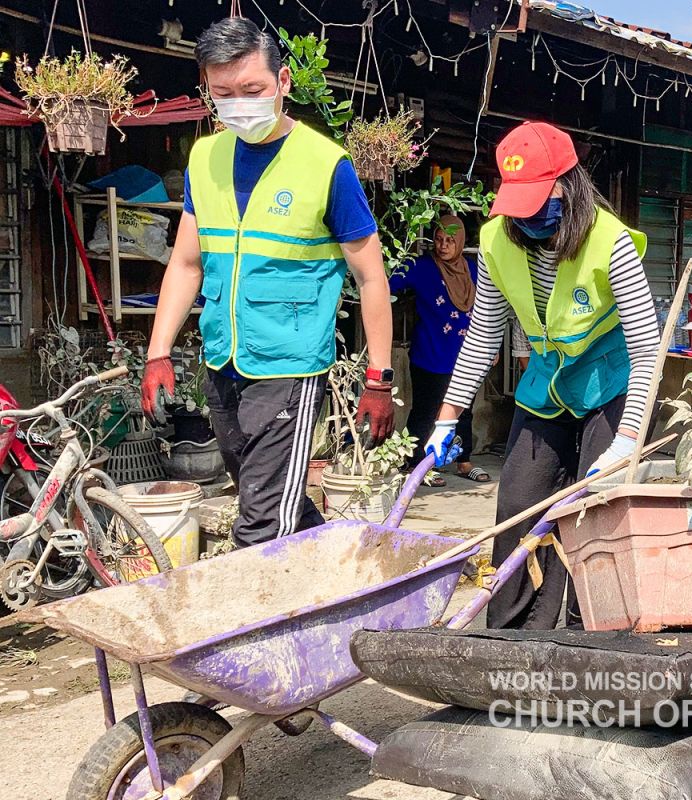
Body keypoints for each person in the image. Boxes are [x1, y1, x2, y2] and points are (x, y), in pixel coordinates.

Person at [140, 18, 395, 547]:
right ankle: (335, 575)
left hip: (291, 366)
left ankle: (247, 625)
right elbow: (187, 263)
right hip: (222, 359)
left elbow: (371, 276)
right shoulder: (204, 157)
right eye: (222, 93)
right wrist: (157, 351)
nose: (239, 104)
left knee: (259, 524)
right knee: (270, 495)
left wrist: (379, 377)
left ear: (283, 83)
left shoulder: (327, 165)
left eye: (252, 90)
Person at [424, 121, 660, 629]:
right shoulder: (494, 241)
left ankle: (588, 638)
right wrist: (446, 418)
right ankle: (510, 643)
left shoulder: (609, 241)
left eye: (537, 200)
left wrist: (627, 438)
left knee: (593, 515)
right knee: (518, 506)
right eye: (517, 202)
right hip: (545, 383)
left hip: (609, 384)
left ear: (567, 185)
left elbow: (646, 350)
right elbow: (484, 336)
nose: (526, 216)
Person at [390, 215, 489, 484]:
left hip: (467, 354)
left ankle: (465, 462)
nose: (443, 245)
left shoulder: (473, 270)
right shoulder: (421, 267)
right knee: (426, 409)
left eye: (450, 240)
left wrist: (493, 348)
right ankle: (416, 465)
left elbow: (488, 310)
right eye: (439, 239)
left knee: (464, 408)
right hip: (430, 354)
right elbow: (386, 284)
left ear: (461, 243)